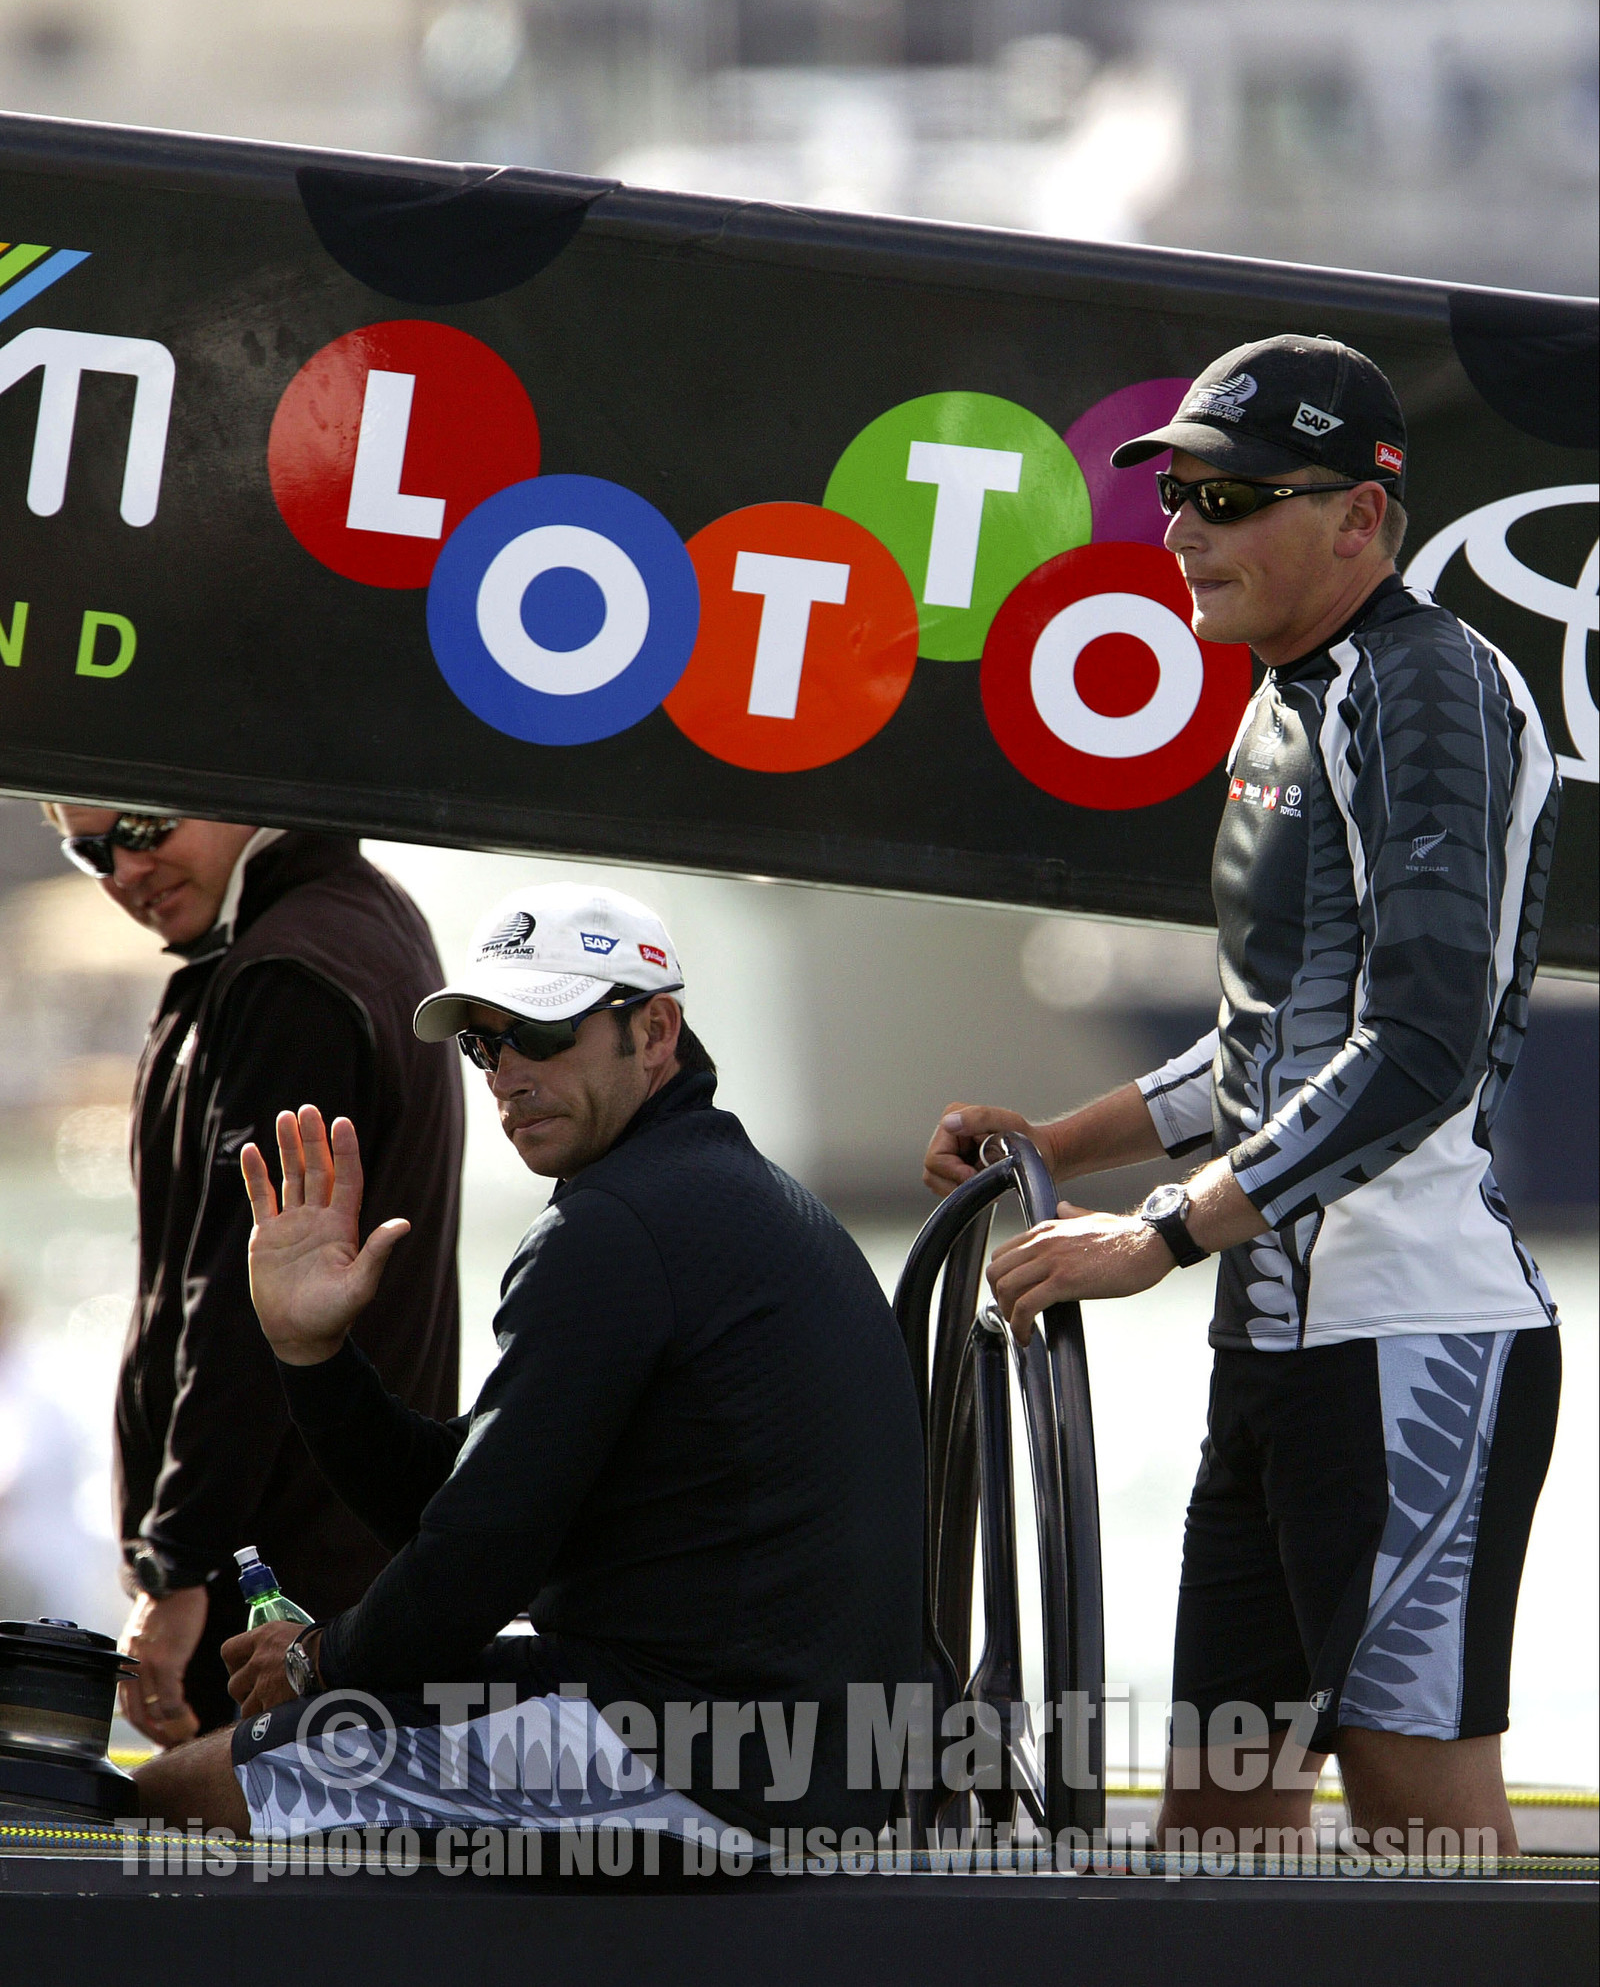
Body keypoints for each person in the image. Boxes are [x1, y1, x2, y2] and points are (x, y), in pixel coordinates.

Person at [924, 334, 1562, 1855]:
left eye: (1231, 497)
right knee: (1214, 1836)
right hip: (1274, 1350)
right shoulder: (1281, 699)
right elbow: (1268, 1043)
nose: (1182, 531)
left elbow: (1419, 1046)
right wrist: (1060, 1143)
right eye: (1177, 495)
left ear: (1359, 516)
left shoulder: (1424, 687)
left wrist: (1158, 1232)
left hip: (1413, 1343)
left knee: (1424, 1846)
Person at [134, 883, 924, 1847]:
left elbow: (478, 1558)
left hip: (704, 1761)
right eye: (485, 1045)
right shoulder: (718, 1196)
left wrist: (315, 1663)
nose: (506, 1076)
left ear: (655, 1031)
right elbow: (475, 1504)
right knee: (282, 1752)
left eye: (542, 1034)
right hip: (792, 1756)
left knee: (177, 1794)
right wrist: (313, 1355)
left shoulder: (618, 1227)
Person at [44, 807, 462, 1746]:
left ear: (229, 788)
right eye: (90, 849)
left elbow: (237, 1304)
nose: (124, 870)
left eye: (144, 828)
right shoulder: (363, 920)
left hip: (273, 1589)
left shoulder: (286, 975)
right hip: (346, 1560)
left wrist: (179, 1566)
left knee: (199, 1825)